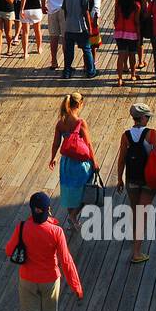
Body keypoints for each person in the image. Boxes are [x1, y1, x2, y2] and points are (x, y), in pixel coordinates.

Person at [4, 192, 82, 311]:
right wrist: (76, 286)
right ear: (49, 209)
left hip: (27, 279)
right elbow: (66, 260)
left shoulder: (22, 227)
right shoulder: (56, 231)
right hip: (50, 280)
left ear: (32, 209)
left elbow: (9, 251)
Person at [115, 103, 156, 264]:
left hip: (132, 179)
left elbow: (121, 159)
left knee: (135, 209)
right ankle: (137, 253)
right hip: (149, 179)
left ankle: (133, 235)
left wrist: (119, 179)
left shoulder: (125, 135)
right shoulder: (152, 134)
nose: (148, 119)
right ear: (142, 118)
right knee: (142, 214)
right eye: (147, 117)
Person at [49, 92, 97, 231]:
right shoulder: (80, 123)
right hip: (80, 163)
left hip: (66, 163)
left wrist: (53, 158)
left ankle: (73, 217)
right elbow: (88, 144)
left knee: (70, 190)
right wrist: (94, 162)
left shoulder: (61, 123)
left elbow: (56, 143)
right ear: (79, 104)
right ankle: (73, 216)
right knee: (86, 190)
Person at [60, 0, 97, 80]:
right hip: (80, 27)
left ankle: (67, 72)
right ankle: (90, 71)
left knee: (69, 51)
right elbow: (86, 13)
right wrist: (89, 28)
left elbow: (65, 10)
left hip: (69, 27)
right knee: (87, 49)